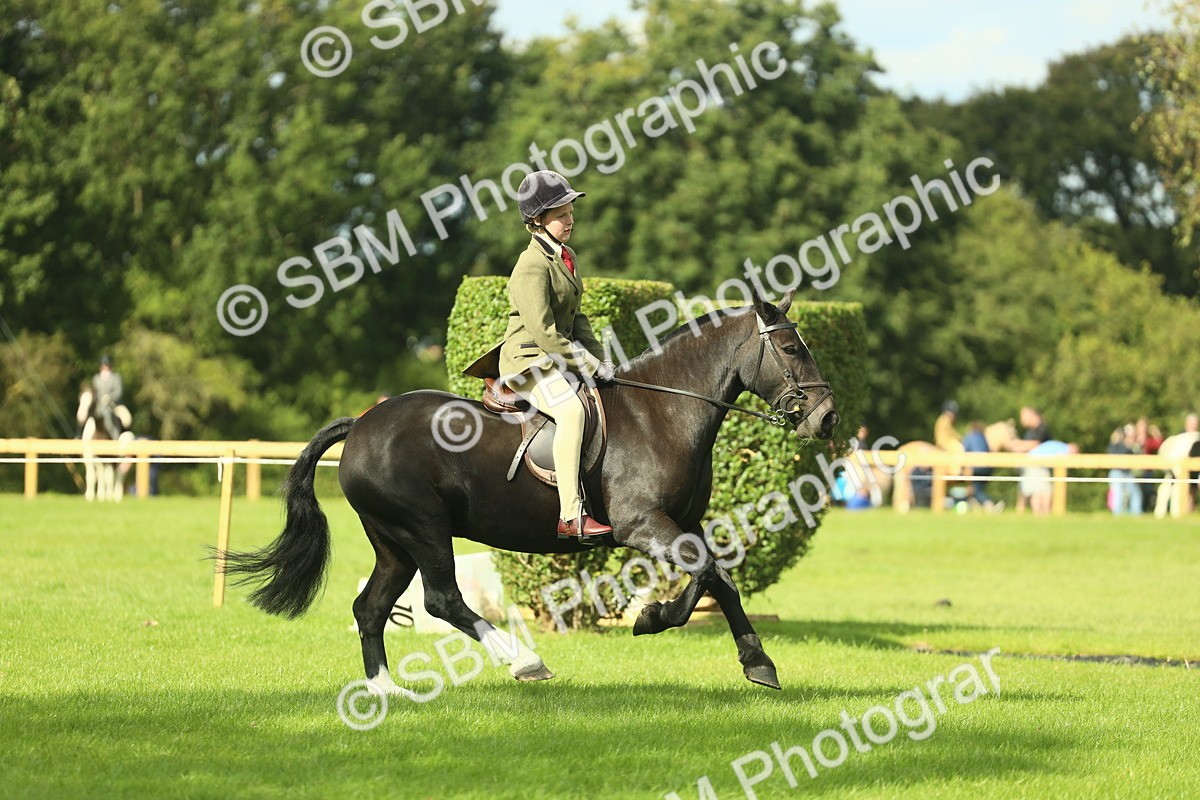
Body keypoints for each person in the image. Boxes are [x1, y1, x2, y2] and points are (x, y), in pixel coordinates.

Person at [464, 171, 614, 539]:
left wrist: (605, 363)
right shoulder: (530, 265)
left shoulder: (567, 256)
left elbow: (578, 320)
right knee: (571, 411)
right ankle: (570, 515)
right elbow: (545, 334)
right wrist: (589, 365)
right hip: (529, 363)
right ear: (536, 221)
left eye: (570, 212)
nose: (570, 220)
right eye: (561, 214)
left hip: (557, 358)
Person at [1022, 439, 1079, 516]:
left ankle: (1040, 514)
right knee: (1040, 491)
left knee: (1041, 490)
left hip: (1036, 463)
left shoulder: (1060, 446)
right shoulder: (1063, 450)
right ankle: (1041, 514)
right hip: (1035, 464)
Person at [962, 420, 1002, 512]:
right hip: (988, 467)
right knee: (978, 488)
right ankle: (977, 507)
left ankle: (990, 506)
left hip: (977, 465)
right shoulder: (983, 437)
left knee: (976, 490)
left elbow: (965, 450)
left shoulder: (969, 437)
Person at [1106, 425, 1141, 515]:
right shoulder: (1116, 445)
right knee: (1118, 494)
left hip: (1127, 473)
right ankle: (1117, 514)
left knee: (1135, 493)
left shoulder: (1131, 445)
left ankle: (1136, 513)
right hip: (1117, 472)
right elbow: (1113, 454)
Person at [92, 355, 124, 440]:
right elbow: (95, 394)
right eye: (103, 367)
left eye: (107, 366)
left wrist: (109, 398)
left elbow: (118, 393)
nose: (105, 369)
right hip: (99, 407)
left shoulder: (116, 378)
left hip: (113, 406)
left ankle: (115, 437)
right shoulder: (96, 379)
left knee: (126, 419)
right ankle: (79, 437)